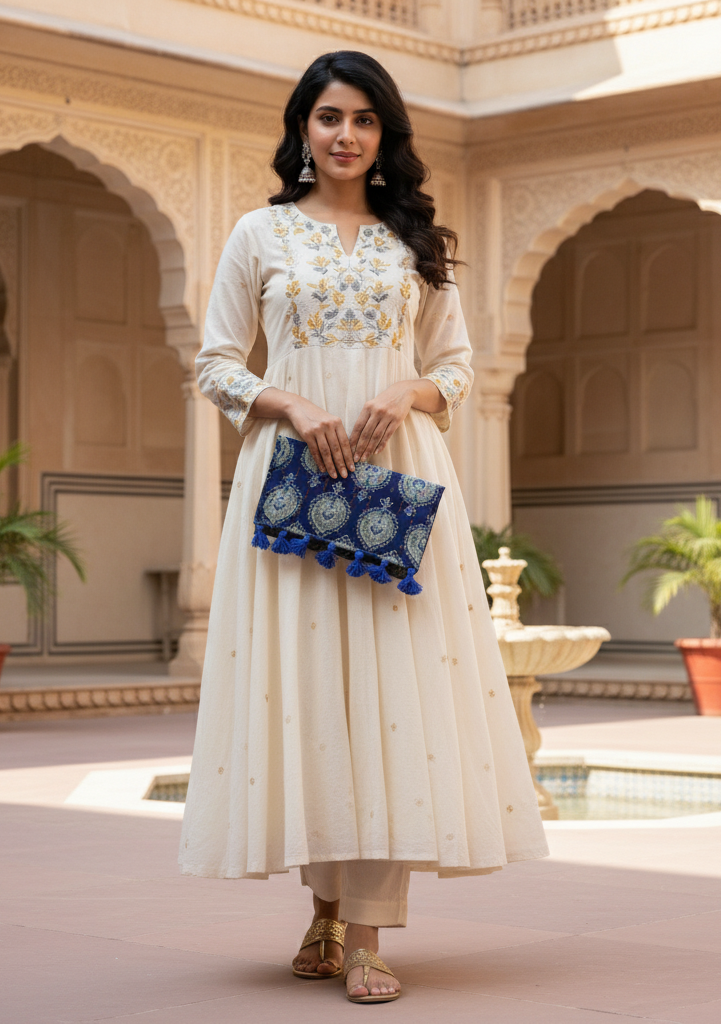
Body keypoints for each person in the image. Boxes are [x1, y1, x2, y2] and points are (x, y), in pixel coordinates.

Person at [179, 50, 548, 1004]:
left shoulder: (411, 245)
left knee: (388, 695)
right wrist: (290, 405)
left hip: (396, 476)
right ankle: (324, 906)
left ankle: (369, 937)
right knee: (309, 691)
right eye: (329, 117)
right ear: (302, 129)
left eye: (365, 121)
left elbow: (458, 367)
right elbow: (216, 360)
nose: (346, 135)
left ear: (385, 138)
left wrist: (406, 387)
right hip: (293, 477)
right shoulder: (259, 235)